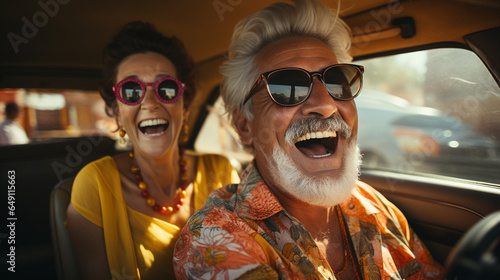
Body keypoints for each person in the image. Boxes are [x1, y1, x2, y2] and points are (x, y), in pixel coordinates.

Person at [173, 1, 444, 279]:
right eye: (287, 87)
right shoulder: (213, 239)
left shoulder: (375, 205)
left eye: (337, 81)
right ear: (244, 126)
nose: (326, 105)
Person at [66, 21, 239, 280]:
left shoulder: (221, 171)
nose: (149, 102)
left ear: (186, 107)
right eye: (131, 91)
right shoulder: (95, 186)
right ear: (117, 114)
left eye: (166, 88)